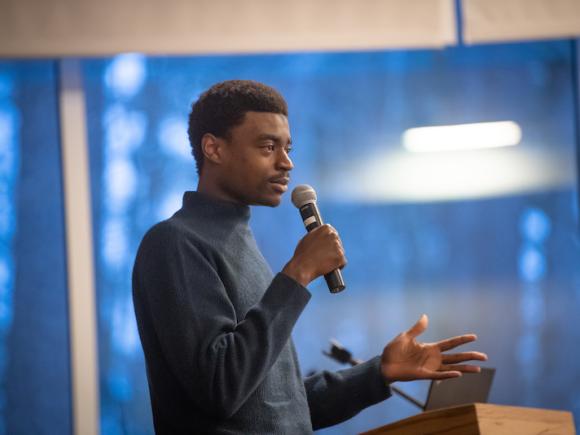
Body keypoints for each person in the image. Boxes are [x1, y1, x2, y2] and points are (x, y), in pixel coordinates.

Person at [132, 80, 487, 434]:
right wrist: (298, 272)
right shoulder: (175, 243)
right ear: (213, 148)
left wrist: (379, 372)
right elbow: (220, 389)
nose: (286, 163)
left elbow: (282, 408)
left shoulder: (241, 245)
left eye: (287, 148)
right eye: (268, 146)